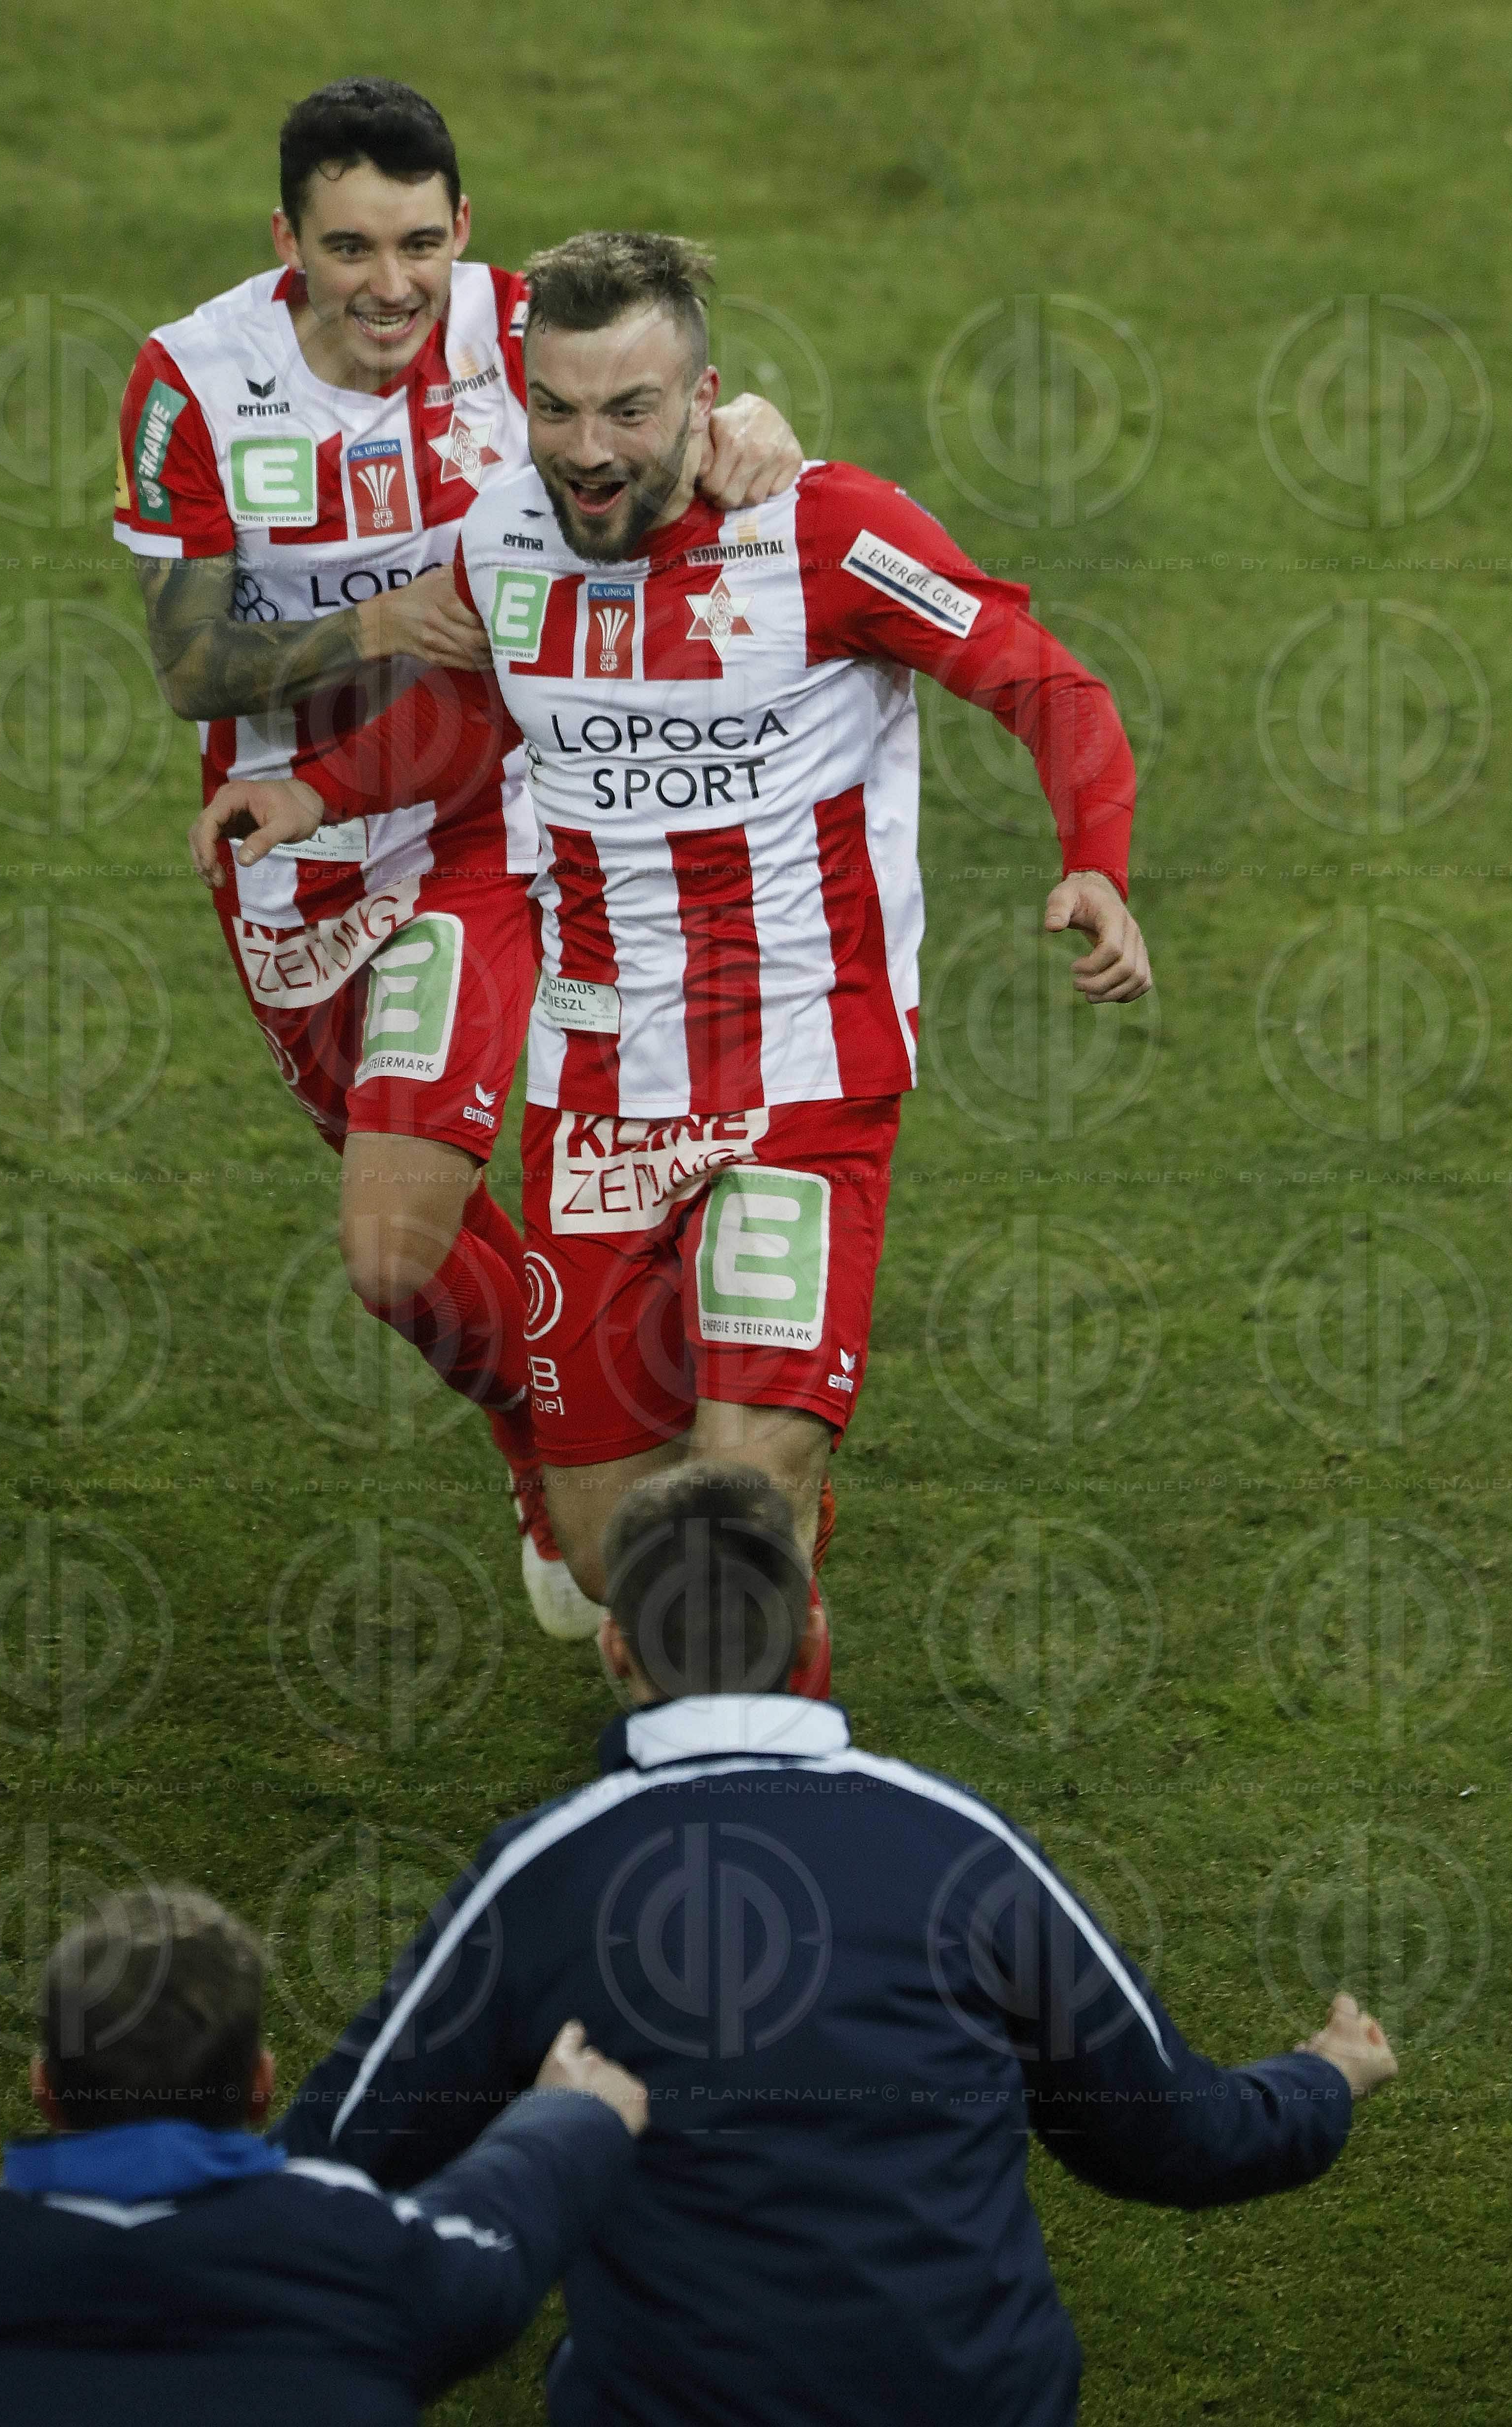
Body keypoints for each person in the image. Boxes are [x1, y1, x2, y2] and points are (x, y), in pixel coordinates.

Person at [192, 230, 1154, 1696]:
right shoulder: (506, 536)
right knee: (614, 1561)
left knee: (742, 1535)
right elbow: (473, 716)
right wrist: (313, 795)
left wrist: (1095, 856)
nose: (587, 451)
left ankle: (778, 1781)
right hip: (599, 1092)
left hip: (803, 1082)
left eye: (629, 412)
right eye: (559, 409)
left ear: (706, 403)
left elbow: (1041, 679)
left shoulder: (825, 533)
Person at [276, 1465, 1399, 2427]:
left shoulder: (537, 1876)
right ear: (813, 1630)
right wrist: (1323, 2077)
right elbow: (1171, 2137)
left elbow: (329, 2172)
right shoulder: (963, 1843)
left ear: (616, 1648)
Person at [115, 83, 800, 1640]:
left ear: (465, 234)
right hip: (297, 855)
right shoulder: (192, 382)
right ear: (284, 241)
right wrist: (377, 623)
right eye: (349, 246)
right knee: (395, 1257)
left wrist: (756, 426)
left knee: (542, 1184)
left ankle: (655, 1461)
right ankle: (546, 1437)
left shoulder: (520, 333)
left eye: (420, 243)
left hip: (499, 825)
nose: (390, 285)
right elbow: (188, 666)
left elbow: (691, 424)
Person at [0, 1883, 648, 2425]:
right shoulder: (367, 2253)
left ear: (44, 2088)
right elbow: (496, 2231)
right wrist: (572, 2116)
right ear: (261, 2086)